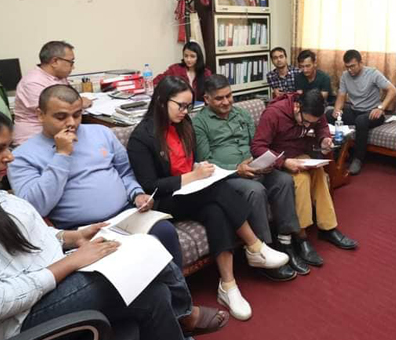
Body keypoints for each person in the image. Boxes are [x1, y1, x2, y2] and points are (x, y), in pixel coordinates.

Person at [0, 105, 229, 340]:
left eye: (9, 147)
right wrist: (70, 263)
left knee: (152, 286)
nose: (9, 157)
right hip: (15, 328)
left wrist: (70, 237)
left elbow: (20, 239)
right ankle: (183, 317)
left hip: (39, 295)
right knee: (142, 259)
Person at [127, 77, 290, 321]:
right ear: (161, 101)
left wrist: (197, 170)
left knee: (216, 209)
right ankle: (255, 246)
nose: (185, 112)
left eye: (188, 106)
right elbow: (151, 186)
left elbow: (190, 159)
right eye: (181, 106)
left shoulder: (183, 123)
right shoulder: (142, 137)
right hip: (164, 201)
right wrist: (192, 177)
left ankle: (228, 286)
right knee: (216, 190)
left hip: (192, 192)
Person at [8, 85, 186, 271]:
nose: (71, 123)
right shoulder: (22, 156)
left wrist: (137, 193)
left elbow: (125, 171)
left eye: (77, 115)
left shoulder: (101, 132)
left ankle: (176, 290)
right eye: (61, 117)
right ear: (40, 115)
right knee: (120, 263)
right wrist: (61, 156)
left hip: (124, 215)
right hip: (80, 229)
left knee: (164, 231)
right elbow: (35, 208)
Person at [193, 74, 307, 278]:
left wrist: (263, 161)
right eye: (219, 98)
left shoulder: (242, 114)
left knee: (284, 180)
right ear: (207, 99)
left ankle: (285, 243)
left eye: (229, 96)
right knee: (255, 190)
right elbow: (205, 161)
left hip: (253, 168)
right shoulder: (199, 123)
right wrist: (237, 169)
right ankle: (262, 252)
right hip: (227, 177)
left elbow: (256, 145)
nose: (226, 102)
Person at [251, 90, 358, 267]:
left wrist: (324, 139)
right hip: (279, 161)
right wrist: (284, 162)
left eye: (311, 123)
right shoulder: (274, 114)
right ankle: (301, 236)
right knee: (301, 180)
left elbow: (321, 126)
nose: (308, 125)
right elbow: (257, 147)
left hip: (300, 156)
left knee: (320, 174)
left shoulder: (313, 112)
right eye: (306, 121)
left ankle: (328, 228)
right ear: (297, 106)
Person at [328, 49, 396, 175]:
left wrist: (381, 108)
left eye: (353, 66)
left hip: (373, 113)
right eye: (347, 67)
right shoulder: (345, 76)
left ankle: (358, 159)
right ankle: (335, 151)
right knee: (329, 114)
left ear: (361, 63)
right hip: (355, 111)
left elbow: (393, 90)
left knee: (361, 121)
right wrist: (337, 109)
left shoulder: (373, 73)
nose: (350, 70)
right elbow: (341, 96)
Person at [12, 41, 92, 145]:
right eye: (71, 62)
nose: (73, 67)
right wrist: (81, 103)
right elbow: (59, 109)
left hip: (59, 132)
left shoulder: (59, 77)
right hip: (34, 138)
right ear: (55, 61)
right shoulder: (32, 82)